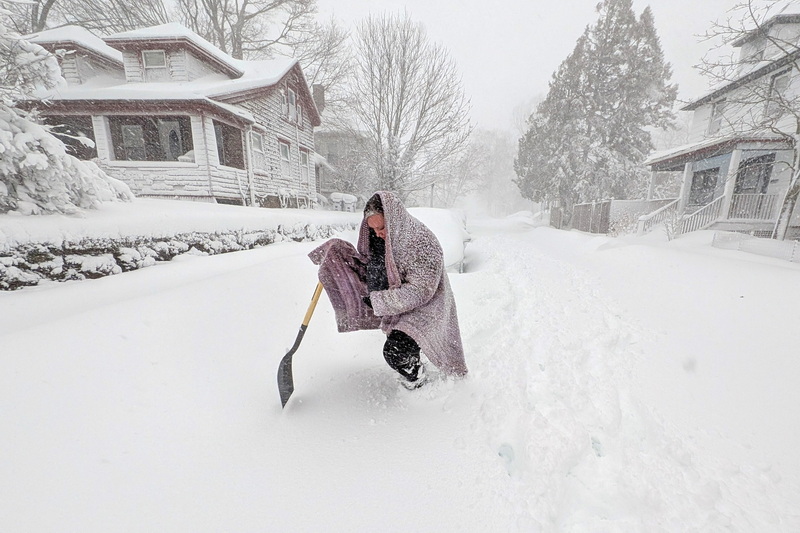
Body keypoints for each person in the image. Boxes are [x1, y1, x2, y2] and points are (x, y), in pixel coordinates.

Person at [357, 191, 468, 388]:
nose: (377, 234)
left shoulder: (420, 242)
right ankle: (413, 360)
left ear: (393, 219)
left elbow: (420, 291)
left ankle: (418, 379)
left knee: (395, 351)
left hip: (428, 308)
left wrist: (378, 301)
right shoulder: (384, 239)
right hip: (402, 305)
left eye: (381, 228)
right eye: (372, 230)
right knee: (401, 344)